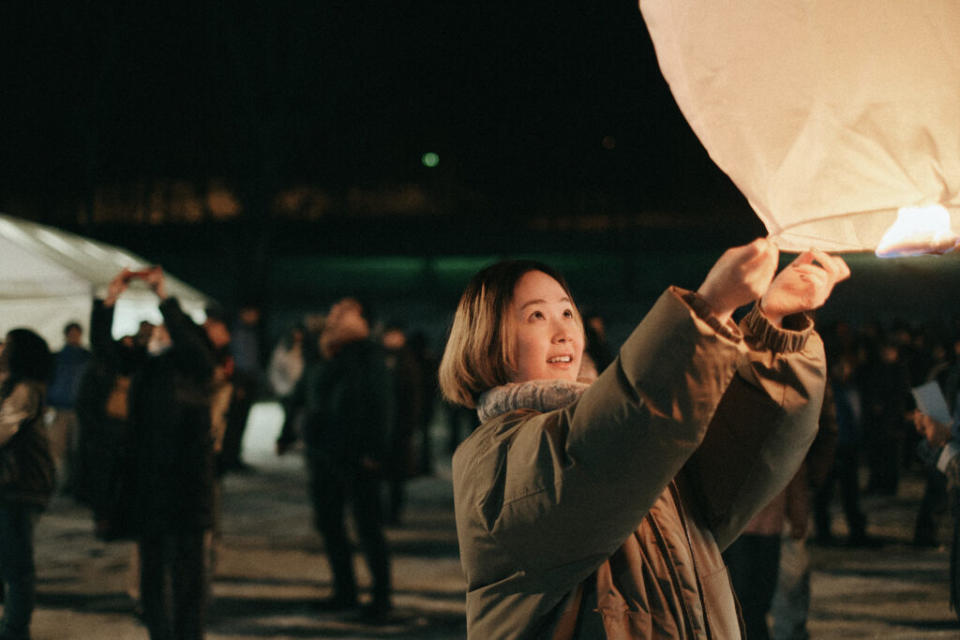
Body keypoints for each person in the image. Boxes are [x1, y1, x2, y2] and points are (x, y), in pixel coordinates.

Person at [438, 238, 849, 638]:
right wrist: (708, 309)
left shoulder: (631, 433)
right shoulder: (493, 457)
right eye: (536, 316)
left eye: (567, 311)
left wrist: (773, 325)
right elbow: (593, 454)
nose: (563, 331)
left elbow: (741, 451)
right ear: (488, 339)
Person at [277, 297, 393, 622]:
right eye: (334, 311)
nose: (335, 316)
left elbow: (382, 404)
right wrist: (286, 432)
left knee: (368, 527)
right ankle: (345, 591)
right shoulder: (323, 352)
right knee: (330, 524)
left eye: (345, 312)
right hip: (323, 454)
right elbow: (301, 394)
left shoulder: (368, 355)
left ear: (364, 322)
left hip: (357, 456)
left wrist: (375, 451)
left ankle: (381, 599)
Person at [125, 267, 216, 640]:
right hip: (150, 486)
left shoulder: (192, 373)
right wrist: (108, 301)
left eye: (165, 332)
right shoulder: (147, 371)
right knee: (152, 572)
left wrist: (165, 299)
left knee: (187, 574)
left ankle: (187, 635)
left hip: (186, 488)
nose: (157, 336)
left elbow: (195, 351)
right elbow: (105, 351)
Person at [0, 328, 56, 640]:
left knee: (16, 567)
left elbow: (4, 428)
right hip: (13, 486)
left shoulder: (25, 389)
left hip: (20, 486)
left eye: (7, 345)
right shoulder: (12, 385)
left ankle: (14, 632)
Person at [45, 321, 90, 494]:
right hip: (60, 408)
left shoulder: (86, 358)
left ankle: (72, 484)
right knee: (57, 449)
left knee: (74, 449)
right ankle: (58, 482)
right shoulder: (58, 358)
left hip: (77, 410)